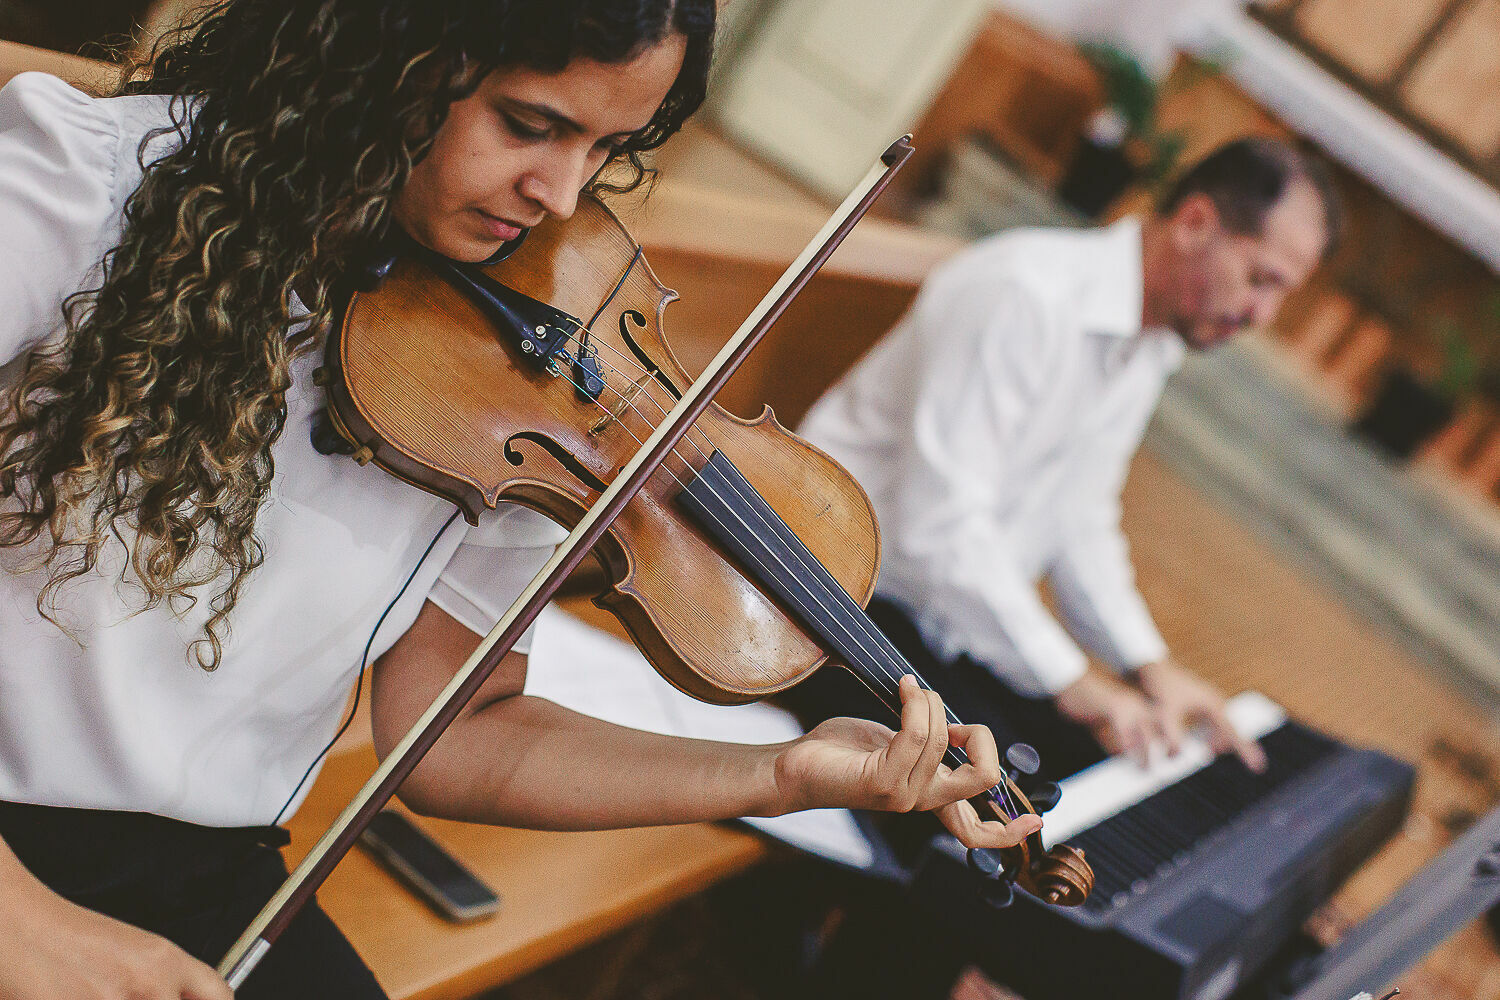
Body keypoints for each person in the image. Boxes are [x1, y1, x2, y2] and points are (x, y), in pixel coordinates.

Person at [0, 3, 1041, 998]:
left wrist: (782, 775)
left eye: (606, 147)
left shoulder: (525, 360)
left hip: (212, 881)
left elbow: (462, 731)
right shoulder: (81, 186)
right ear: (389, 53)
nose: (561, 194)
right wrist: (29, 928)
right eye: (531, 125)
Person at [797, 139, 1341, 780]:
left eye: (1282, 294)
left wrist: (1147, 665)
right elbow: (936, 525)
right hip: (836, 600)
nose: (1262, 316)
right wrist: (1071, 679)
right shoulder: (1025, 294)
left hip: (947, 617)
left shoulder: (1152, 339)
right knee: (1007, 802)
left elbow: (1079, 518)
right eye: (1260, 279)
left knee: (1123, 762)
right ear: (1195, 222)